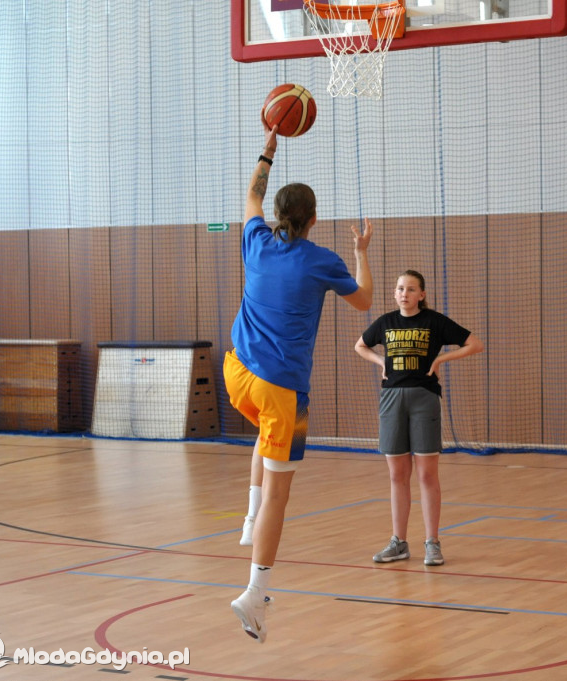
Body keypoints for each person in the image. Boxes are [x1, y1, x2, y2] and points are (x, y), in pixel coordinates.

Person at [225, 123, 374, 643]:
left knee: (264, 440)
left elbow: (250, 196)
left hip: (237, 373)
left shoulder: (256, 240)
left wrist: (267, 149)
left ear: (277, 217)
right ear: (313, 220)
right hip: (280, 387)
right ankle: (255, 594)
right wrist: (361, 251)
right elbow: (364, 300)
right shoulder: (321, 260)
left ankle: (247, 518)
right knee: (280, 497)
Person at [354, 270, 483, 567]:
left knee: (426, 474)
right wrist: (380, 361)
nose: (404, 294)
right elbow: (360, 345)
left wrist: (439, 360)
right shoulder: (386, 322)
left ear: (421, 295)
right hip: (391, 399)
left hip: (424, 399)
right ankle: (398, 542)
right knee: (397, 475)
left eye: (411, 289)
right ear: (395, 292)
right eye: (400, 288)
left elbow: (475, 344)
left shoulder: (434, 321)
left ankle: (432, 542)